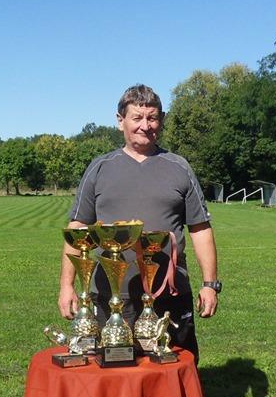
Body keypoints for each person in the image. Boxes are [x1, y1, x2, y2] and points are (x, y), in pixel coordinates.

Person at [58, 84, 220, 362]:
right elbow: (78, 229)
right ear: (120, 120)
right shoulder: (100, 168)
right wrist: (66, 286)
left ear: (162, 120)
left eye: (152, 118)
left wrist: (210, 284)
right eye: (137, 117)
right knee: (115, 372)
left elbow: (200, 228)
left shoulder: (179, 167)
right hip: (111, 295)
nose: (145, 125)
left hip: (169, 294)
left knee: (176, 367)